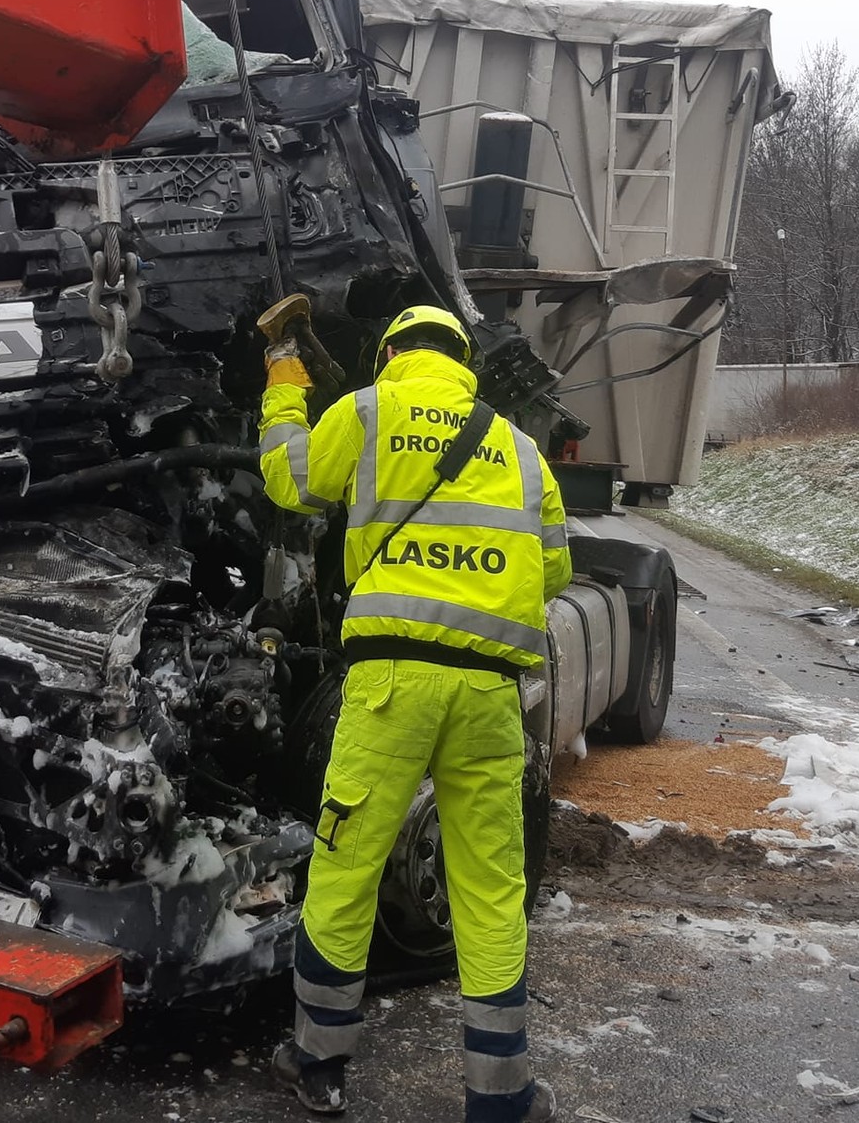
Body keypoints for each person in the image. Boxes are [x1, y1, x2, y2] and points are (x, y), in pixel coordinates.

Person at [258, 302, 571, 1123]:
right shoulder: (521, 449)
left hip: (392, 685)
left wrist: (285, 384)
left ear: (391, 351)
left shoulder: (365, 411)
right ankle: (500, 1098)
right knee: (493, 891)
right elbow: (558, 570)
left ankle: (317, 1064)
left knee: (347, 867)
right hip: (489, 697)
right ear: (463, 359)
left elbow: (292, 478)